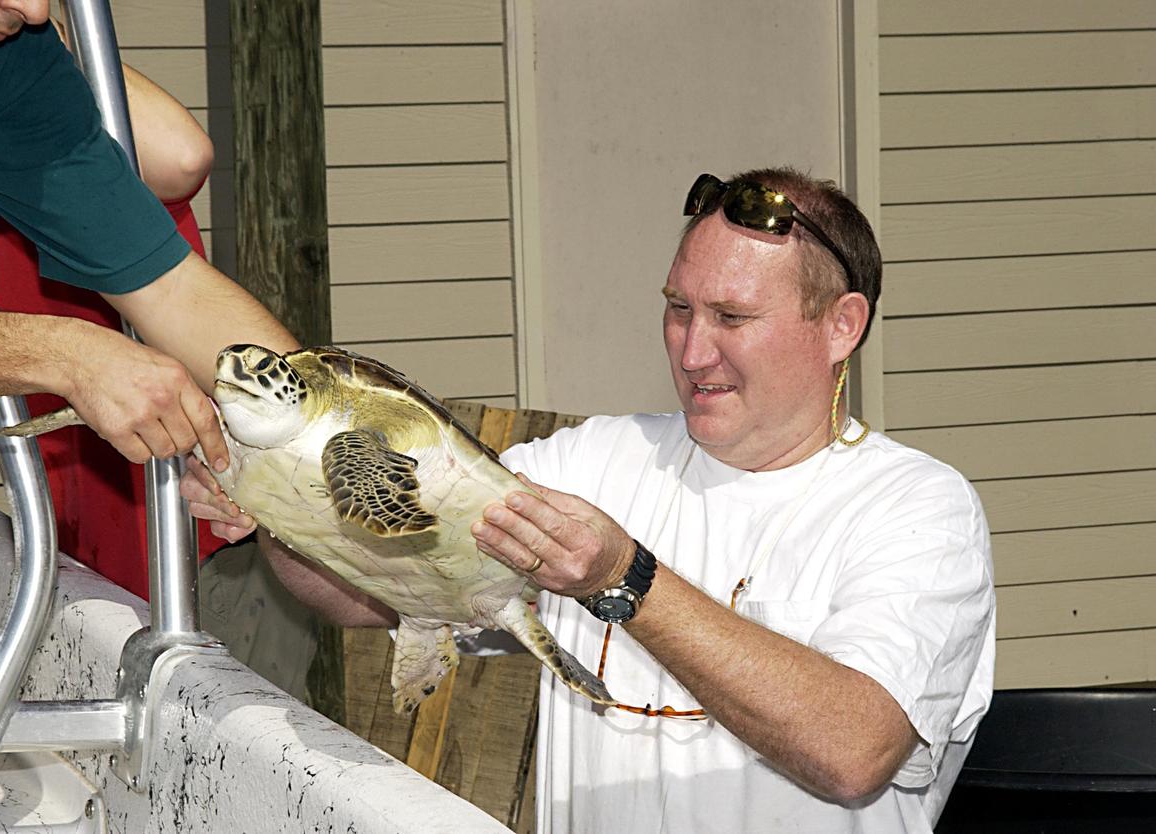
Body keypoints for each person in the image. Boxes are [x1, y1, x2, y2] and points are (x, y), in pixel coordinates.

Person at [188, 166, 996, 833]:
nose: (691, 347)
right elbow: (366, 593)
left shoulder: (917, 508)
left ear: (840, 326)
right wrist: (283, 512)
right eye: (678, 307)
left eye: (732, 316)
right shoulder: (593, 461)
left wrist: (626, 577)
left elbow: (856, 752)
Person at [0, 0, 297, 544]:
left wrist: (327, 435)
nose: (31, 11)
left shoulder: (4, 56)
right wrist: (66, 355)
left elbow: (170, 289)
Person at [0, 20, 225, 598]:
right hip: (73, 531)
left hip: (195, 515)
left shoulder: (86, 140)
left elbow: (182, 158)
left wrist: (43, 38)